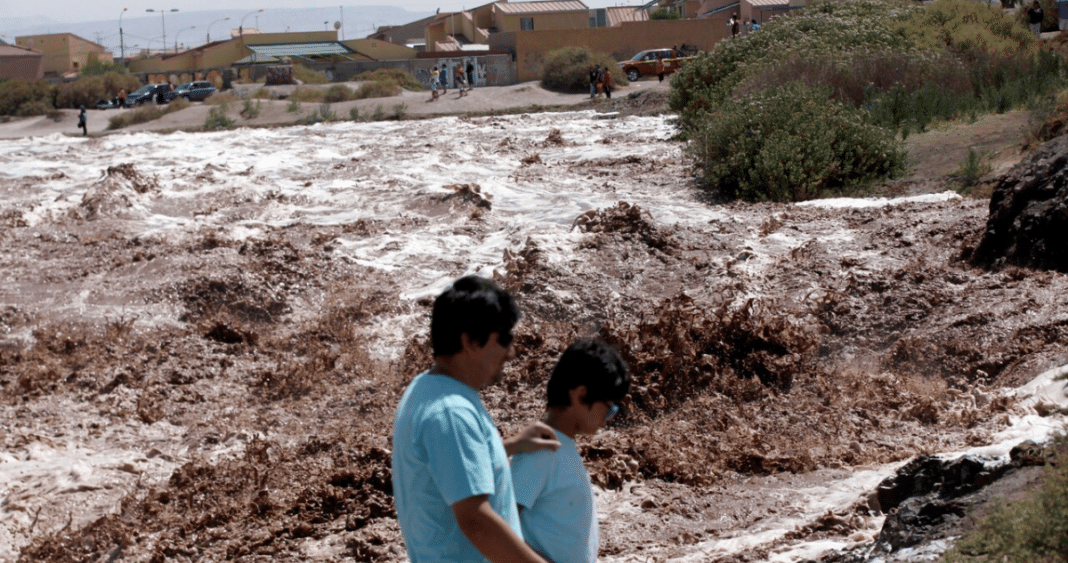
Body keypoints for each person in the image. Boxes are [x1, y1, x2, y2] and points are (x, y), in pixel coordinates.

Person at [392, 275, 561, 563]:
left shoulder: (427, 388)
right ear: (469, 341)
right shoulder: (451, 413)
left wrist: (511, 446)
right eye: (504, 339)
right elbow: (477, 522)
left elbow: (448, 467)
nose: (512, 351)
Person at [510, 339, 631, 563]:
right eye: (609, 408)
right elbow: (501, 529)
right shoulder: (540, 449)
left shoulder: (561, 447)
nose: (610, 417)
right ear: (581, 394)